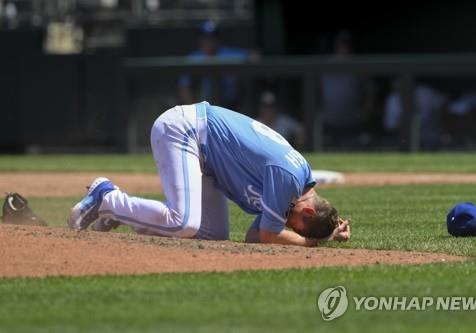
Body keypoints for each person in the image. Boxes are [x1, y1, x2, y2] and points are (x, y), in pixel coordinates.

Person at [68, 101, 350, 247]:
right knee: (184, 224)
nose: (288, 225)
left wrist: (324, 235)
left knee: (212, 235)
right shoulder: (288, 177)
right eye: (295, 224)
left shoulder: (297, 185)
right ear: (309, 212)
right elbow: (268, 234)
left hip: (205, 158)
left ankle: (118, 214)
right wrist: (310, 242)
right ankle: (106, 198)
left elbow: (256, 237)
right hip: (186, 130)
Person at [319, 30, 375, 147]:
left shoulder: (359, 66)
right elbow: (314, 92)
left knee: (354, 149)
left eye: (347, 44)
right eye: (342, 44)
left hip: (353, 121)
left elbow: (371, 92)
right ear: (336, 45)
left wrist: (365, 113)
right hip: (329, 121)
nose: (344, 47)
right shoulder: (325, 64)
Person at [178, 21, 251, 108]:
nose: (209, 41)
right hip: (204, 106)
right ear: (200, 39)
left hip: (230, 106)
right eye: (205, 38)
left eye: (212, 38)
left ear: (217, 39)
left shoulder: (227, 54)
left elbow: (251, 56)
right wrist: (191, 109)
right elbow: (184, 87)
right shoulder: (194, 59)